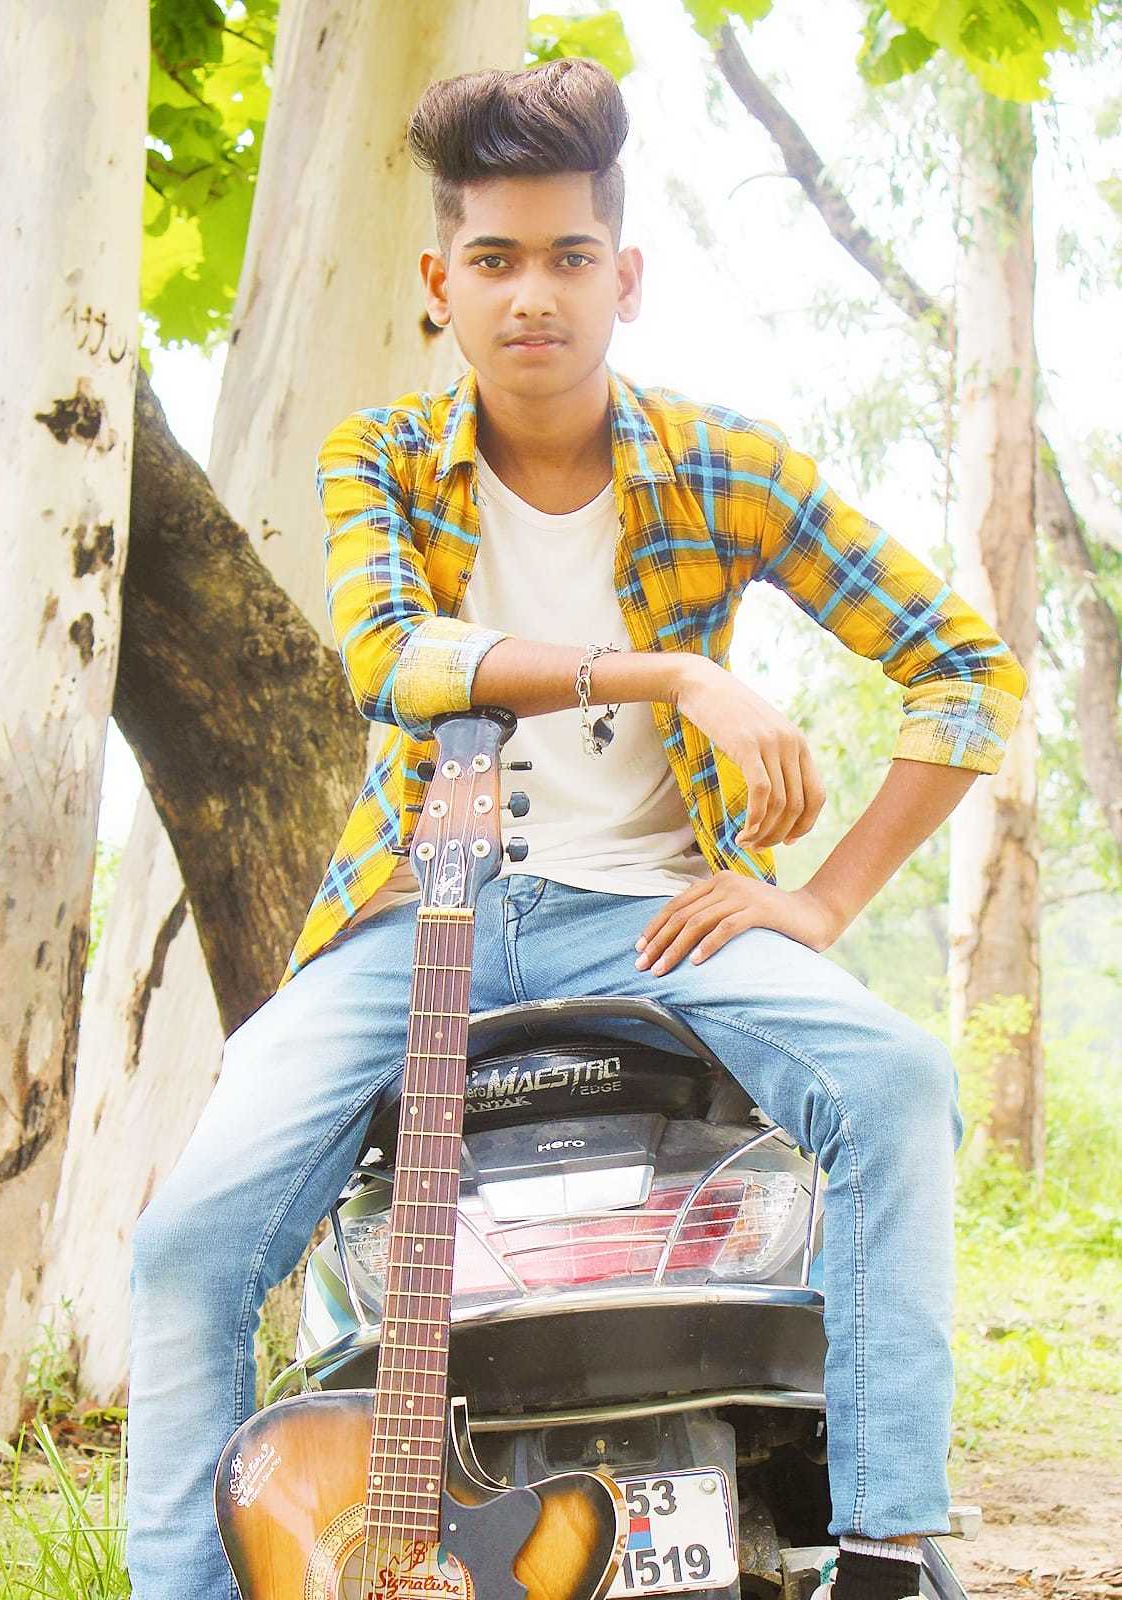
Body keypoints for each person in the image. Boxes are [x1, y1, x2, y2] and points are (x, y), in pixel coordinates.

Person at [124, 57, 1027, 1600]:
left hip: (659, 914)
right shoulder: (380, 457)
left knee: (896, 1082)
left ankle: (884, 1548)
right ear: (440, 284)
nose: (532, 294)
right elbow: (394, 661)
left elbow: (966, 671)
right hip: (418, 914)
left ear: (627, 275)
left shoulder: (729, 466)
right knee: (190, 1242)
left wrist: (819, 904)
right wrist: (669, 672)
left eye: (568, 255)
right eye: (493, 259)